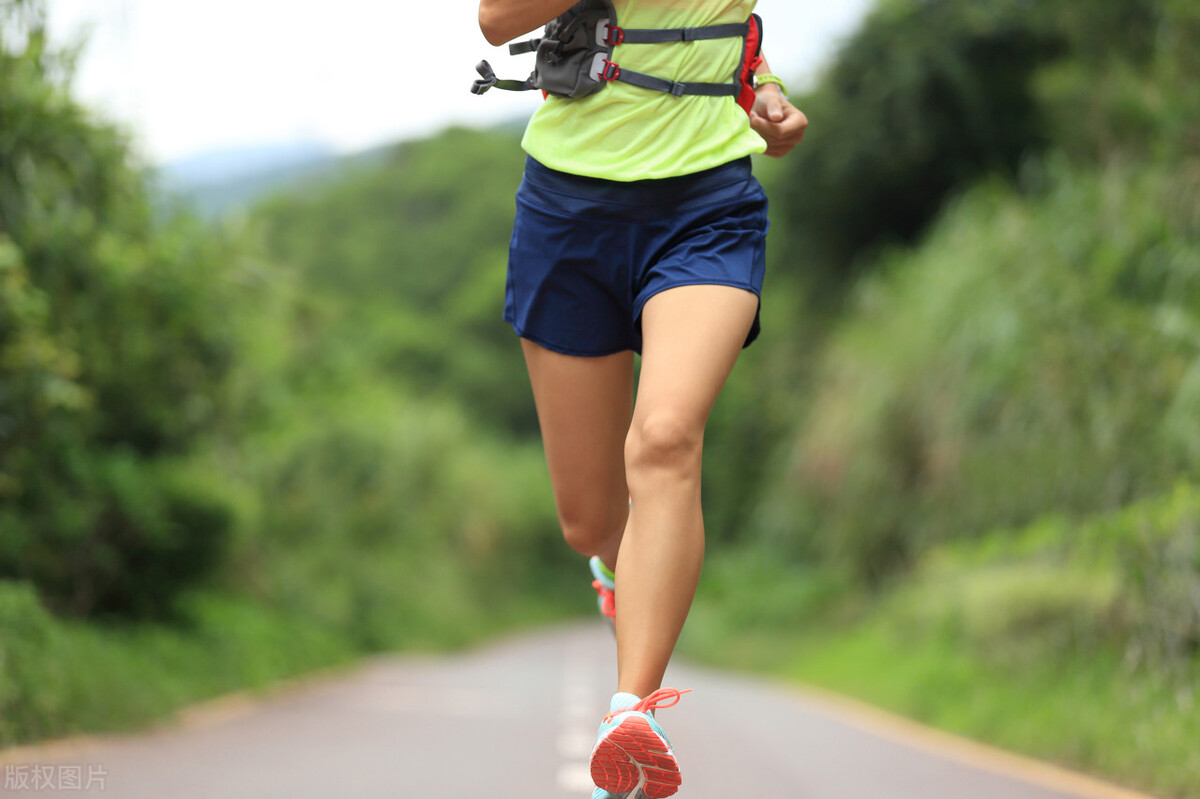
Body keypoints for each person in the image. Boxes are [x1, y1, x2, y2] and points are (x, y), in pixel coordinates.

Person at [477, 2, 807, 796]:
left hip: (707, 209)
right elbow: (495, 19)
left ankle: (633, 716)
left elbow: (730, 22)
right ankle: (615, 564)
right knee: (590, 518)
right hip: (568, 210)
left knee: (663, 436)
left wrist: (763, 87)